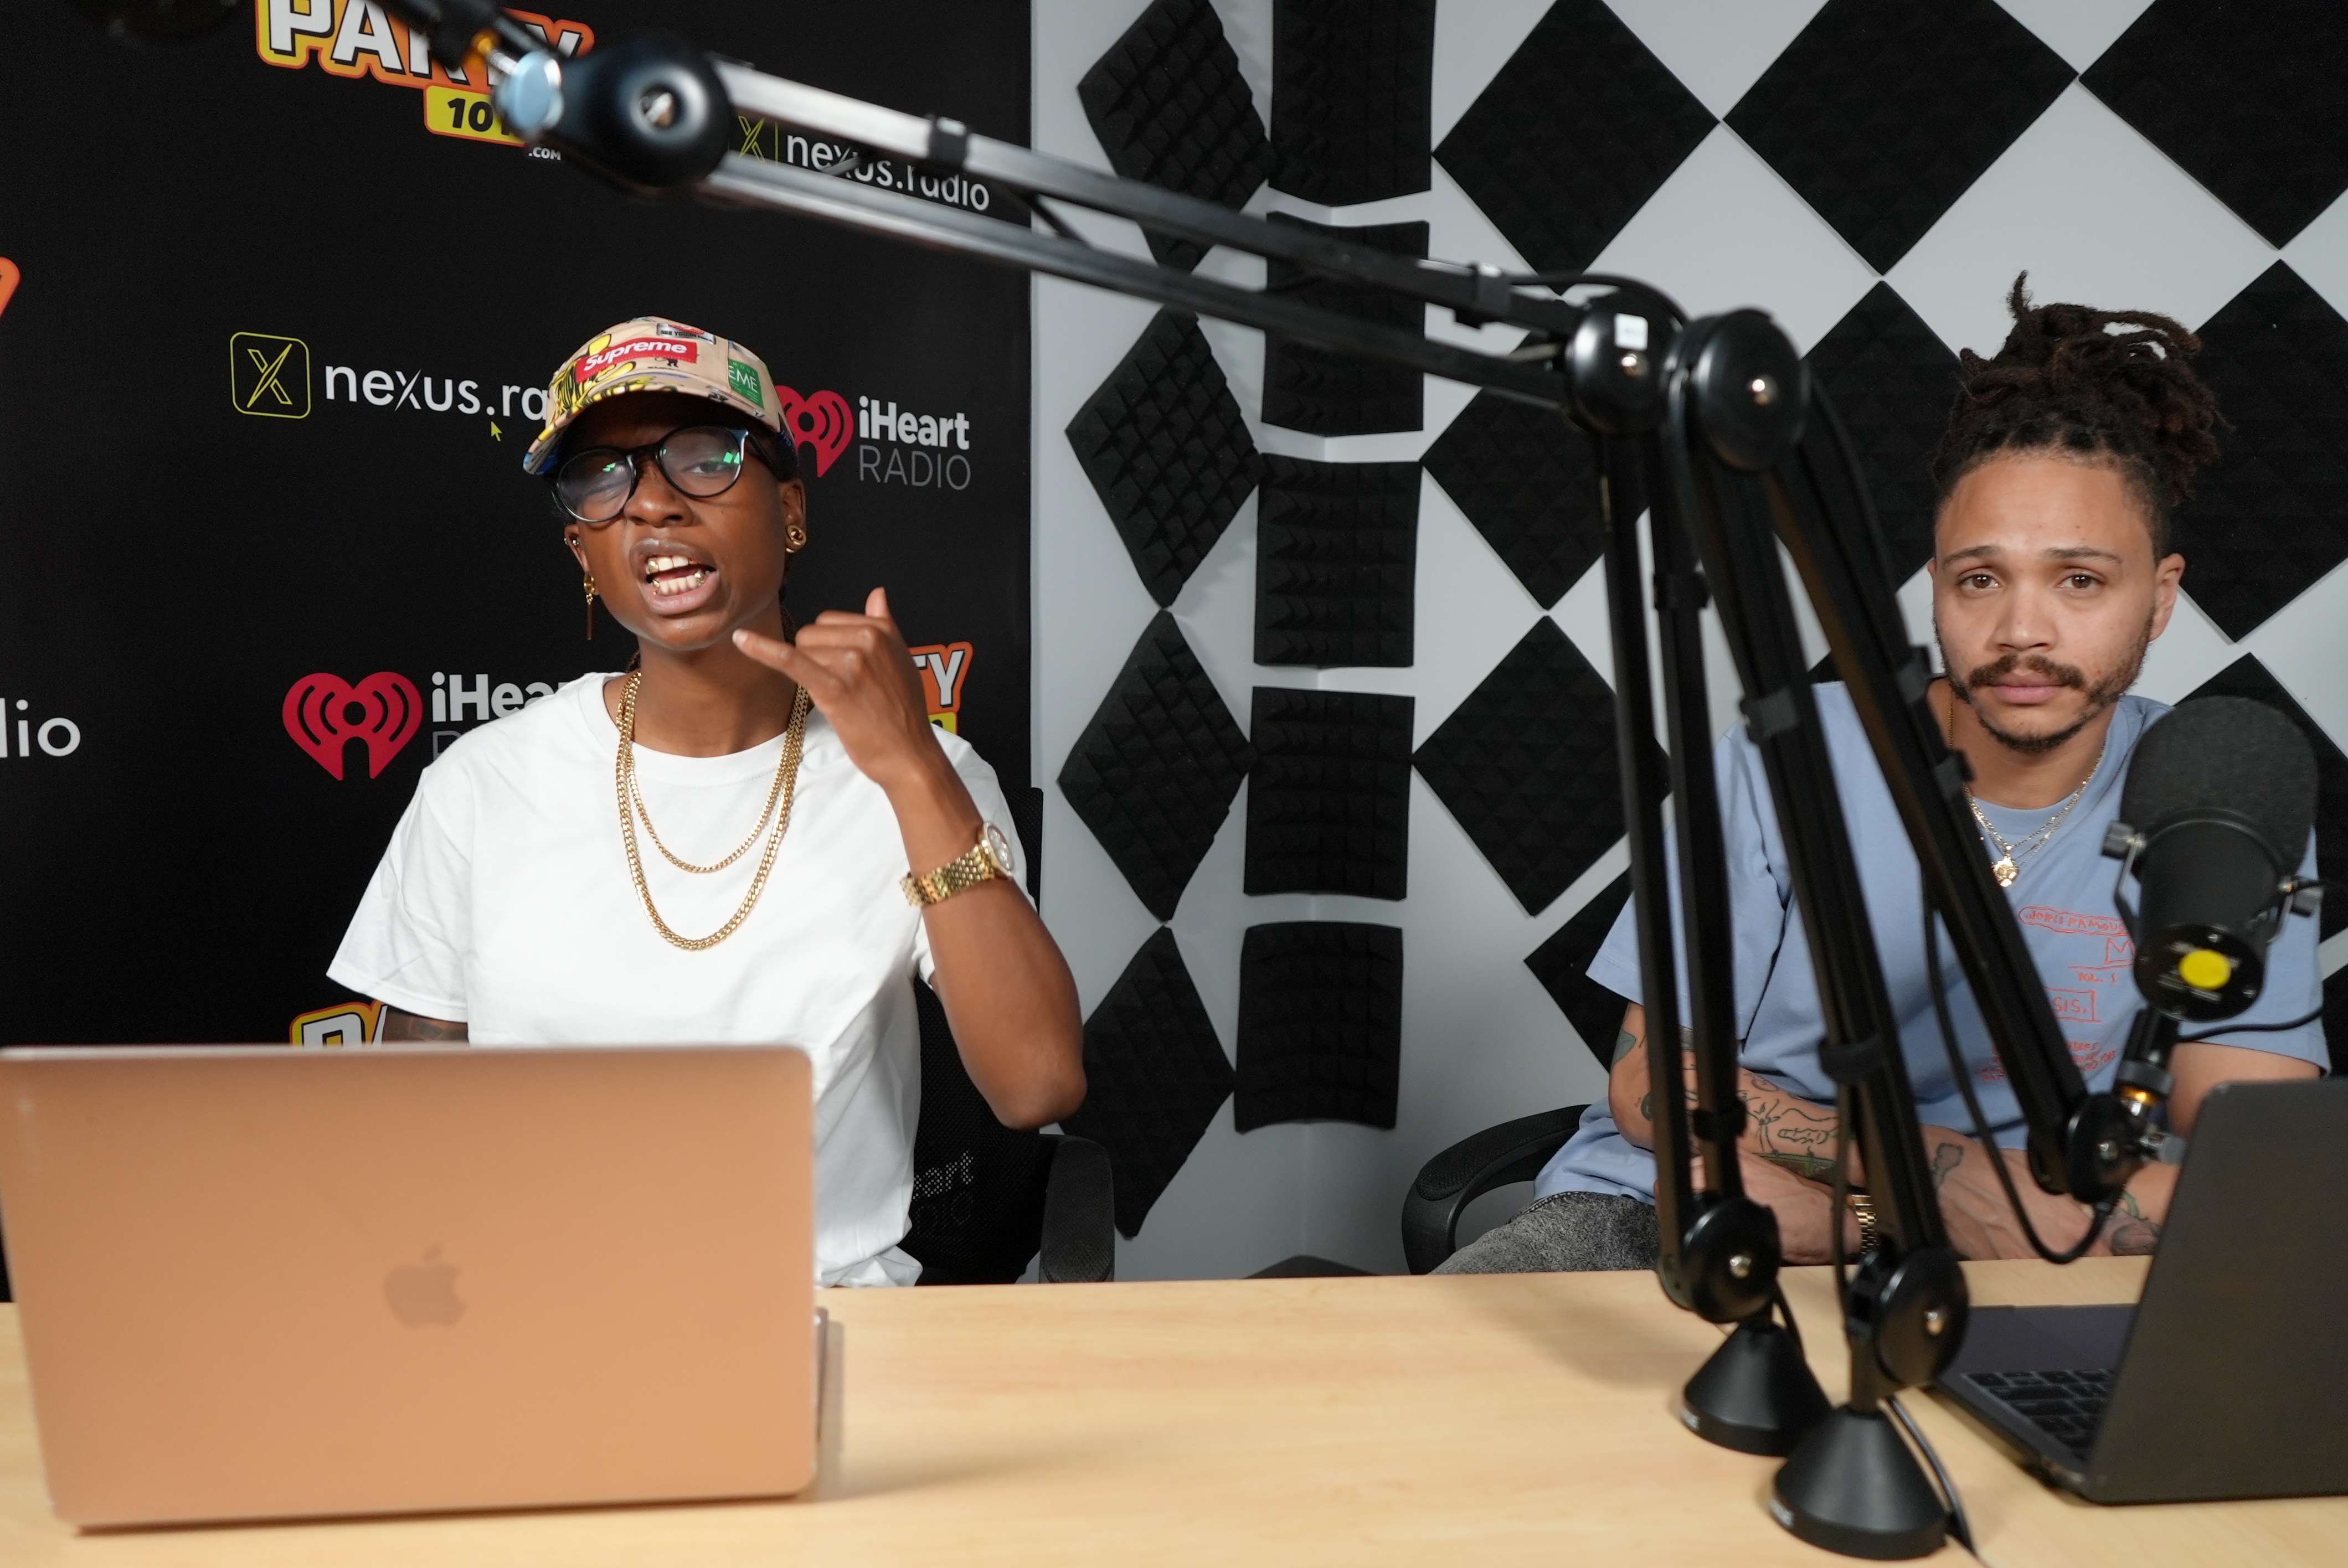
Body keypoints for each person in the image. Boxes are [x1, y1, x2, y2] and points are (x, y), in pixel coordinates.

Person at [1438, 278, 2326, 1273]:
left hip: (2037, 1266)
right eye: (1979, 579)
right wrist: (1933, 1188)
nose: (2022, 631)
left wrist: (1873, 1214)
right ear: (1936, 584)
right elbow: (1654, 1087)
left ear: (2160, 598)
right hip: (1688, 1216)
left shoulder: (2224, 791)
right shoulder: (1786, 755)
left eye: (2080, 580)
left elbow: (2251, 1169)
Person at [329, 318, 1084, 1286]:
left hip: (818, 1322)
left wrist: (909, 768)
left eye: (702, 458)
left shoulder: (922, 775)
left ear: (791, 509)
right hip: (534, 1319)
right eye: (603, 478)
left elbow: (1040, 1085)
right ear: (582, 551)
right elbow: (406, 1123)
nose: (652, 506)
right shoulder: (483, 782)